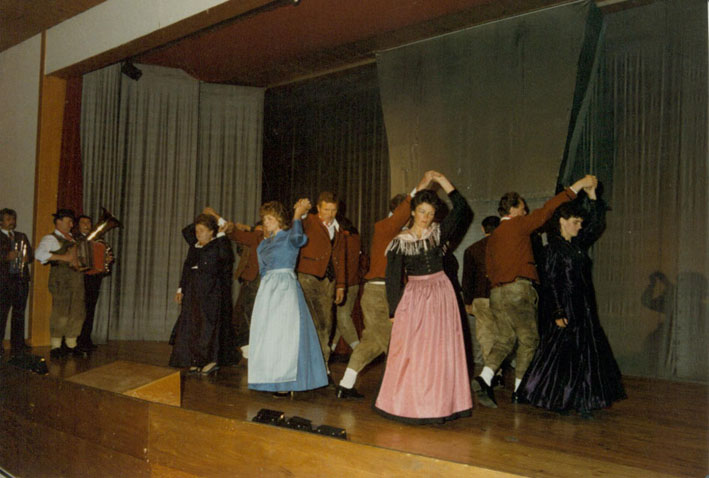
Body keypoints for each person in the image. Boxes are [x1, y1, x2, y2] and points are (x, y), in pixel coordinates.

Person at [472, 175, 597, 408]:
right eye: (522, 208)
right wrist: (578, 186)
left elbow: (489, 270)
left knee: (505, 339)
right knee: (529, 340)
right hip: (518, 289)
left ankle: (485, 377)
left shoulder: (494, 236)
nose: (526, 211)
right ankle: (520, 391)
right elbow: (548, 210)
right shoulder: (518, 224)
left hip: (496, 293)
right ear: (512, 210)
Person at [373, 172, 473, 424]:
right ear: (413, 212)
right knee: (408, 352)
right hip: (414, 298)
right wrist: (394, 310)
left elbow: (462, 208)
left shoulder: (438, 234)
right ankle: (407, 404)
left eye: (430, 213)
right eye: (422, 212)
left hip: (441, 295)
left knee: (439, 351)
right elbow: (393, 278)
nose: (426, 217)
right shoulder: (400, 242)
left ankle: (437, 405)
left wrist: (442, 181)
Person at [518, 188, 626, 417]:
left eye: (580, 222)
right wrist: (558, 311)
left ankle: (582, 401)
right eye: (575, 222)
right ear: (562, 221)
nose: (579, 226)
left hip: (583, 305)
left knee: (584, 352)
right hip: (565, 305)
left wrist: (593, 198)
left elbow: (596, 226)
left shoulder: (577, 245)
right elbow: (550, 283)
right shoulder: (552, 250)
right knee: (561, 353)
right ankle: (551, 396)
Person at [336, 171, 433, 399]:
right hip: (381, 293)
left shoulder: (401, 233)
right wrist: (421, 185)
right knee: (392, 341)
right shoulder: (386, 227)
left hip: (380, 292)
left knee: (373, 341)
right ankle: (402, 389)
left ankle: (346, 384)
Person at [248, 199, 328, 395]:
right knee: (268, 335)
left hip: (286, 288)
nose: (266, 222)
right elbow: (263, 270)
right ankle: (270, 379)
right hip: (268, 290)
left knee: (286, 335)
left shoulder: (290, 236)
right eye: (264, 219)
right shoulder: (263, 244)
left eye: (270, 218)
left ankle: (287, 383)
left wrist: (297, 215)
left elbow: (299, 239)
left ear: (279, 219)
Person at [169, 213, 235, 374]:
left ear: (212, 231)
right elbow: (187, 267)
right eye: (197, 231)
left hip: (210, 292)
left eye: (202, 231)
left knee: (208, 327)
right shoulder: (195, 246)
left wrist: (217, 224)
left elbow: (227, 258)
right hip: (193, 291)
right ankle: (195, 360)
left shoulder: (219, 244)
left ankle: (210, 360)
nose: (198, 234)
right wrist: (181, 289)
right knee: (192, 326)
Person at [297, 191, 346, 370]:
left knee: (327, 322)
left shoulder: (339, 229)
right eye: (326, 210)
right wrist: (301, 210)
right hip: (308, 277)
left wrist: (341, 285)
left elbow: (340, 258)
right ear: (318, 208)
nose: (330, 214)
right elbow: (297, 223)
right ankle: (308, 364)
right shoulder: (309, 221)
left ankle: (322, 364)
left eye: (333, 210)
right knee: (312, 321)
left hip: (329, 280)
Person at [35, 209, 86, 358]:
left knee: (77, 311)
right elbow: (39, 254)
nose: (71, 225)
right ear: (58, 222)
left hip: (76, 279)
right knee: (60, 312)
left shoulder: (73, 239)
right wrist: (64, 258)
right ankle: (56, 346)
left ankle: (71, 344)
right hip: (60, 279)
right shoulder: (50, 238)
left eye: (72, 222)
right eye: (68, 221)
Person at [462, 216, 500, 372]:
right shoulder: (507, 246)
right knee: (504, 337)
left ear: (483, 229)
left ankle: (491, 372)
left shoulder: (472, 249)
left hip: (481, 298)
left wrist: (467, 302)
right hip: (502, 296)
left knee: (486, 337)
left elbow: (467, 279)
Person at [75, 214, 114, 353]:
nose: (87, 225)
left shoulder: (99, 241)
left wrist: (107, 260)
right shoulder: (75, 240)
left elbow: (106, 257)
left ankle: (86, 339)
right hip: (80, 278)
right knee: (80, 310)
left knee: (90, 309)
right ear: (78, 225)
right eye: (83, 223)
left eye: (89, 223)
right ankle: (76, 341)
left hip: (95, 278)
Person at [0, 208, 33, 358]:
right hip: (4, 281)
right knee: (2, 314)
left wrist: (27, 258)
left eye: (13, 219)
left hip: (20, 279)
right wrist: (6, 257)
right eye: (8, 219)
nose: (12, 222)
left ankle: (18, 344)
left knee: (19, 313)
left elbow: (30, 255)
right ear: (1, 222)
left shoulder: (21, 236)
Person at [331, 217, 361, 355]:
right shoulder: (355, 238)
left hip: (344, 284)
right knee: (341, 318)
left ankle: (359, 352)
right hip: (353, 283)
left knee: (342, 318)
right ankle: (330, 350)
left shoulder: (343, 238)